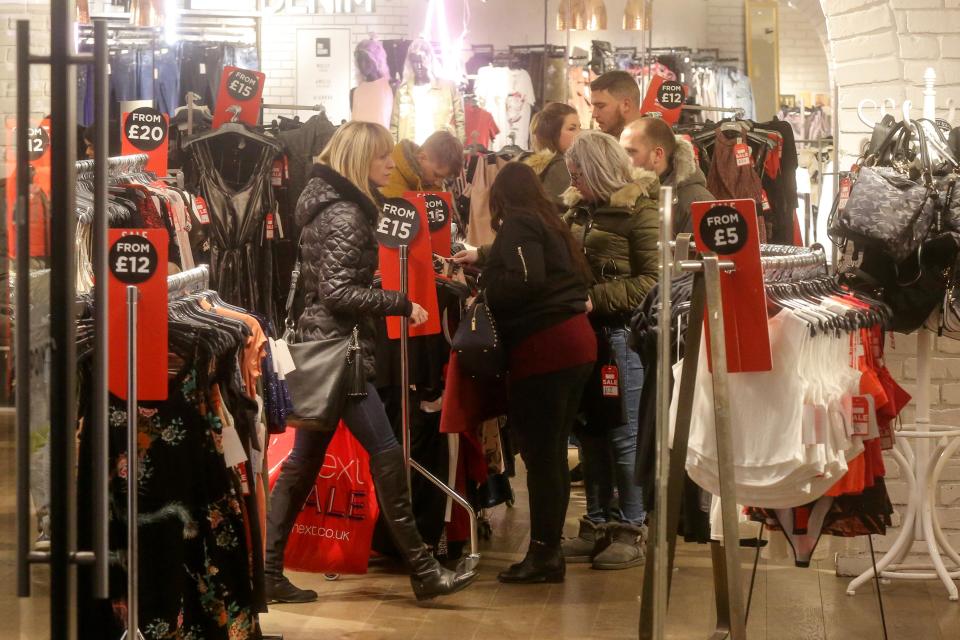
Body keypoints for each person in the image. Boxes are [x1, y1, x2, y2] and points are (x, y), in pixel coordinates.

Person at [265, 121, 478, 604]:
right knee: (385, 454)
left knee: (305, 462)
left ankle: (267, 569)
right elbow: (338, 292)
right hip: (342, 352)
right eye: (382, 157)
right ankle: (424, 571)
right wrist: (400, 301)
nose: (390, 164)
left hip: (330, 346)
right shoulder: (346, 214)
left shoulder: (327, 205)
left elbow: (328, 286)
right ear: (361, 159)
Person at [476, 162, 597, 584]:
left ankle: (545, 555)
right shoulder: (551, 224)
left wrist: (484, 290)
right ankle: (548, 550)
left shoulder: (519, 223)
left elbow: (526, 280)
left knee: (542, 456)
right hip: (573, 344)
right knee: (553, 457)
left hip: (546, 350)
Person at [561, 130, 658, 570]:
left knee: (624, 435)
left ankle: (631, 528)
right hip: (587, 336)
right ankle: (597, 523)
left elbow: (654, 282)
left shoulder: (640, 212)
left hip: (620, 336)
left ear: (596, 169)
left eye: (578, 172)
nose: (573, 180)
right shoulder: (579, 210)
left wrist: (595, 298)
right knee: (592, 434)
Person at [620, 117, 714, 235]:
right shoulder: (629, 193)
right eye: (620, 152)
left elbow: (701, 253)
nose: (621, 160)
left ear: (657, 155)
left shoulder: (697, 203)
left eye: (630, 152)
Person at [392, 38, 466, 144]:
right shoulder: (403, 91)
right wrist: (396, 154)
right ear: (410, 63)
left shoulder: (448, 87)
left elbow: (460, 122)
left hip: (440, 152)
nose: (419, 66)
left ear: (429, 59)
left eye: (422, 61)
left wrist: (459, 151)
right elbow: (394, 126)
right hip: (410, 152)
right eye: (415, 61)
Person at [523, 102, 581, 208]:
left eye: (579, 127)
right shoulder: (561, 167)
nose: (579, 133)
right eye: (572, 128)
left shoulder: (530, 165)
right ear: (553, 133)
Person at [381, 130, 464, 198]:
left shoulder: (429, 182)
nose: (438, 182)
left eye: (443, 178)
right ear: (422, 157)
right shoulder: (385, 177)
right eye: (436, 175)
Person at [589, 70, 643, 139]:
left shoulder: (656, 143)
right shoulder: (595, 145)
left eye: (600, 106)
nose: (594, 114)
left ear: (626, 105)